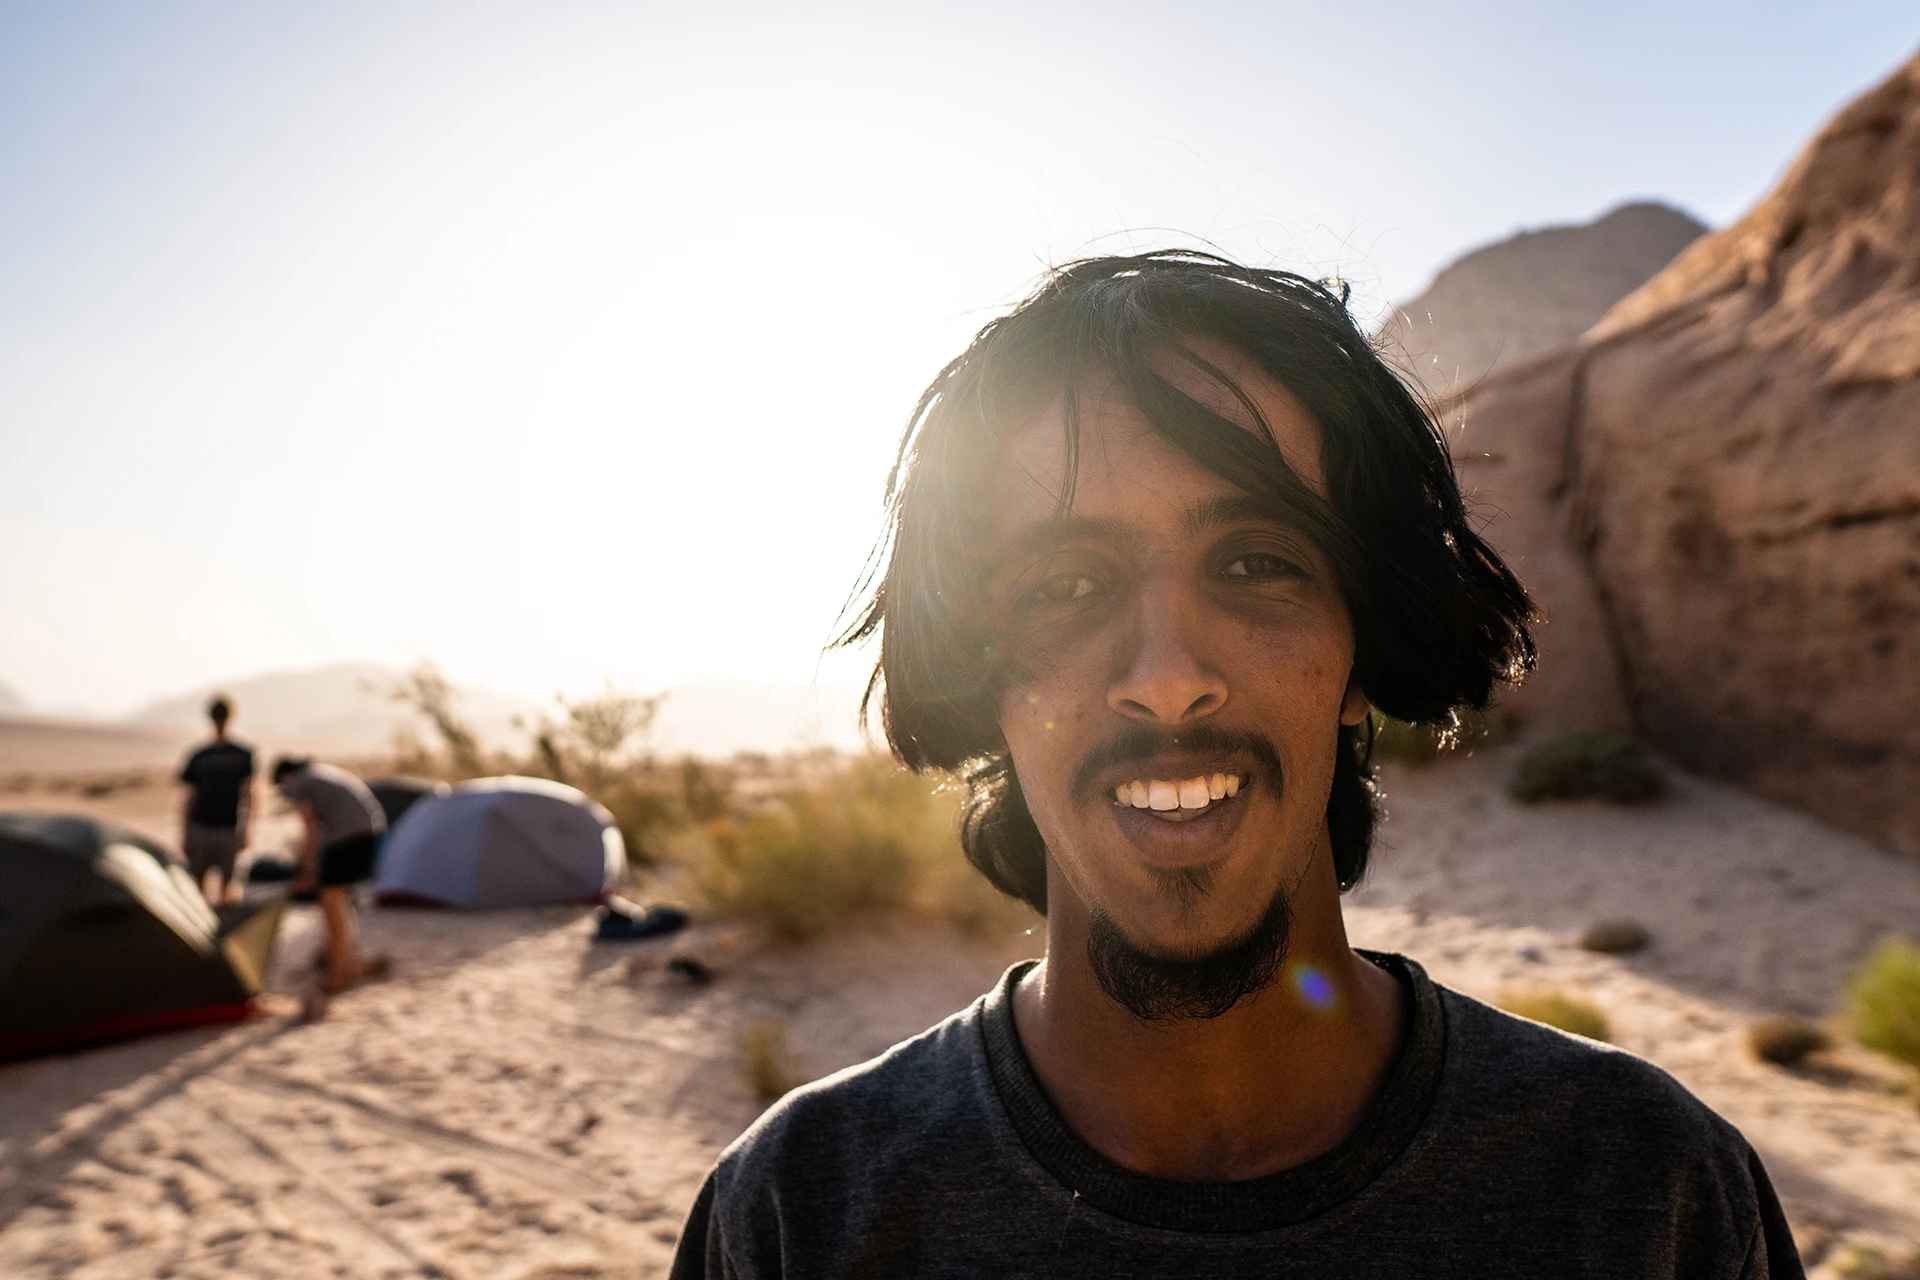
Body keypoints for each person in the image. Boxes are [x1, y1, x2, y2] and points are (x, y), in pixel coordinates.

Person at [671, 253, 1804, 1277]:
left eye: (1258, 561)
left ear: (1362, 645)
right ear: (985, 680)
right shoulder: (796, 1216)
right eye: (1065, 585)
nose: (1168, 677)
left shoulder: (1648, 1191)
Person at [273, 757, 386, 994]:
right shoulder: (318, 773)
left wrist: (303, 868)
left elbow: (310, 830)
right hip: (368, 833)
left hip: (350, 838)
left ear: (284, 776)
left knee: (331, 902)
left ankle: (339, 975)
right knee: (338, 900)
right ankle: (343, 960)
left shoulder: (300, 782)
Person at [178, 695, 255, 903]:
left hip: (226, 827)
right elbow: (189, 797)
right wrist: (185, 833)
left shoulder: (240, 754)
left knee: (227, 886)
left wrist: (246, 828)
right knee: (198, 883)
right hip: (203, 826)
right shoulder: (201, 755)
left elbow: (249, 794)